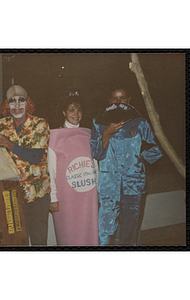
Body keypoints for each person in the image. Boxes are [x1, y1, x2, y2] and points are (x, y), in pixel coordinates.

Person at [90, 88, 163, 246]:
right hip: (108, 184)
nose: (118, 102)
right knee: (105, 231)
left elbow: (156, 152)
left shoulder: (140, 122)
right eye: (114, 98)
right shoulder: (98, 122)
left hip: (133, 184)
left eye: (122, 98)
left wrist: (140, 151)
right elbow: (95, 153)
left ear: (129, 100)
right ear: (109, 101)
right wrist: (107, 133)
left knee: (130, 231)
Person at [0, 85, 51, 246]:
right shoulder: (0, 125)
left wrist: (7, 143)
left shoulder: (40, 124)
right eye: (12, 101)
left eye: (21, 101)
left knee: (38, 242)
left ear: (28, 103)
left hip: (36, 195)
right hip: (10, 195)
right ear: (6, 105)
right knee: (15, 242)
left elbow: (36, 157)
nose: (16, 106)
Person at [47, 94, 99, 246]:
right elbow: (51, 170)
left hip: (88, 194)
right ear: (64, 112)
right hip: (66, 197)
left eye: (79, 110)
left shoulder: (89, 134)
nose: (76, 114)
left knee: (89, 231)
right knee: (68, 234)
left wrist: (98, 189)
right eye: (71, 110)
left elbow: (95, 165)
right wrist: (53, 197)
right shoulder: (55, 137)